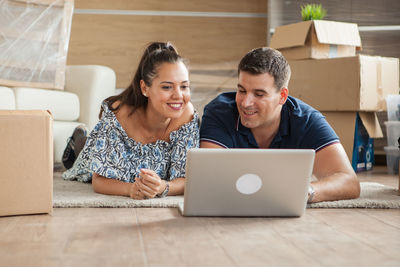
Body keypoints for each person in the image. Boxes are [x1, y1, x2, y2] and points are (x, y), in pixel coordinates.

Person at [200, 47, 360, 203]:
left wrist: (305, 192)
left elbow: (349, 181)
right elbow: (209, 178)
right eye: (242, 91)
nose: (246, 103)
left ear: (282, 96)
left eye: (259, 94)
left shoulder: (306, 120)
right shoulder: (219, 113)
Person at [62, 42, 199, 199]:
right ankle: (79, 143)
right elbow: (99, 180)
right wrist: (130, 189)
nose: (178, 96)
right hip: (94, 160)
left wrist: (163, 187)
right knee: (82, 165)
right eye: (167, 87)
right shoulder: (119, 114)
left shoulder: (187, 115)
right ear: (145, 88)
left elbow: (187, 179)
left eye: (184, 86)